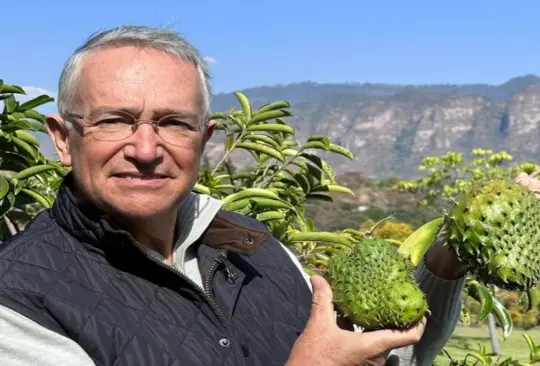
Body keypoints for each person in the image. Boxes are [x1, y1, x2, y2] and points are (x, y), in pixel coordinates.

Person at [0, 25, 470, 366]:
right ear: (63, 138)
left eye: (173, 123)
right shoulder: (17, 298)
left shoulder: (252, 242)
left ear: (204, 142)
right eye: (114, 120)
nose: (145, 149)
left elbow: (386, 353)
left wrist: (452, 255)